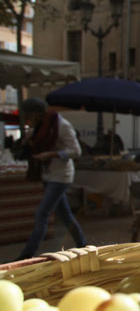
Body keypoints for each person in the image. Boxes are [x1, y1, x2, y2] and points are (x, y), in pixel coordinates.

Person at [16, 97, 87, 260]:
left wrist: (52, 154)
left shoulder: (61, 126)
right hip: (48, 174)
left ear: (37, 114)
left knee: (42, 214)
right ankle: (83, 245)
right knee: (66, 215)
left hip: (61, 176)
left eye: (29, 116)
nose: (28, 120)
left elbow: (76, 151)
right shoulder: (39, 128)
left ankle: (27, 255)